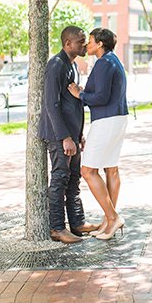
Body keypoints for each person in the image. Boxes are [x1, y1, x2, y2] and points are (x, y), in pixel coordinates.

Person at [39, 26, 99, 244]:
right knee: (60, 179)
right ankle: (56, 228)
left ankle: (77, 223)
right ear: (68, 43)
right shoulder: (56, 66)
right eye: (81, 41)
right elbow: (51, 105)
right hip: (58, 135)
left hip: (72, 135)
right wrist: (64, 136)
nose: (84, 45)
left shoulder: (72, 65)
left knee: (74, 179)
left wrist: (78, 134)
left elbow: (71, 103)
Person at [68, 27, 128, 241]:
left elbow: (100, 97)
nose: (87, 45)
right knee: (111, 169)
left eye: (90, 41)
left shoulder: (103, 63)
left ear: (100, 44)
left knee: (87, 171)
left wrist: (80, 94)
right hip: (118, 118)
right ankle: (108, 220)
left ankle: (112, 218)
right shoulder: (113, 61)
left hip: (106, 120)